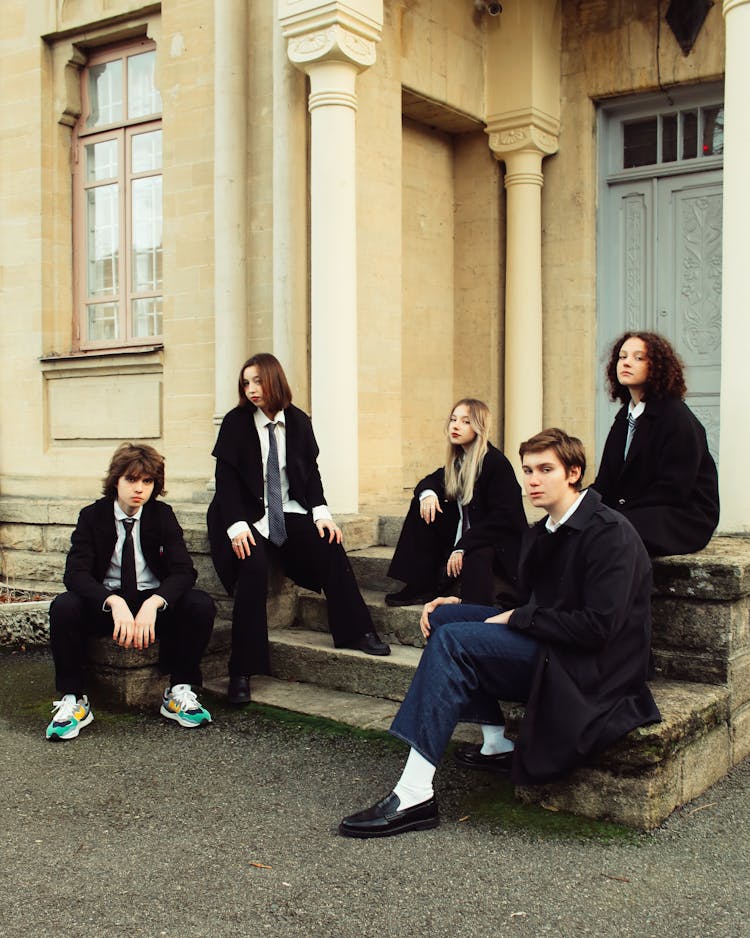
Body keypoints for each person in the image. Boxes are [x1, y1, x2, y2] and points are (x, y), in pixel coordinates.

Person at [339, 428, 660, 838]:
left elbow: (598, 628)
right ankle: (496, 744)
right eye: (528, 470)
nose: (533, 481)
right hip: (552, 645)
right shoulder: (544, 529)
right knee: (444, 621)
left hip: (590, 669)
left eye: (547, 470)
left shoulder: (609, 533)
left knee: (455, 643)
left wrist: (515, 619)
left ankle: (414, 794)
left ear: (573, 473)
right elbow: (529, 607)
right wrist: (462, 606)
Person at [207, 353, 390, 706]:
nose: (251, 389)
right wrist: (234, 525)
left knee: (330, 544)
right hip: (245, 514)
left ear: (275, 380)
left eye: (258, 381)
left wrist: (321, 512)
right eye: (246, 383)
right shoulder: (236, 422)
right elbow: (225, 482)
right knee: (253, 567)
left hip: (288, 508)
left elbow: (311, 473)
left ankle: (357, 631)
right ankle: (241, 670)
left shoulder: (298, 421)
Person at [46, 443, 215, 741]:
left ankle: (179, 691)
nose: (139, 489)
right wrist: (111, 601)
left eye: (147, 481)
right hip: (107, 605)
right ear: (116, 481)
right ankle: (74, 699)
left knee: (200, 604)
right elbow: (75, 574)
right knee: (64, 606)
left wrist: (155, 603)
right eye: (132, 480)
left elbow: (183, 571)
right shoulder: (92, 516)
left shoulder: (162, 516)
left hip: (151, 603)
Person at [385, 399, 526, 608]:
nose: (456, 426)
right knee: (422, 503)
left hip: (496, 542)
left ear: (479, 427)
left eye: (466, 421)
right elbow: (432, 480)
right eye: (453, 420)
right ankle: (419, 584)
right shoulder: (460, 460)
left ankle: (473, 606)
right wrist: (428, 494)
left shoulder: (495, 463)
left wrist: (463, 546)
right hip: (467, 536)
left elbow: (503, 518)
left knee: (477, 553)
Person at [593, 331, 719, 556]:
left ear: (658, 366)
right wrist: (572, 505)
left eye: (639, 358)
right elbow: (605, 482)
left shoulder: (676, 417)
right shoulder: (625, 417)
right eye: (622, 357)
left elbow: (673, 488)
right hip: (636, 511)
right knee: (568, 523)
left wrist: (615, 512)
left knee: (606, 531)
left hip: (680, 517)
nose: (627, 363)